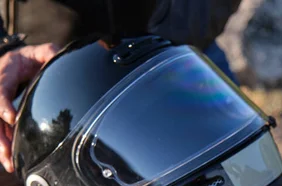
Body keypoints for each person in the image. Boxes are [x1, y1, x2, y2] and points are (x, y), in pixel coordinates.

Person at [0, 0, 241, 173]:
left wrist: (161, 41)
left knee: (242, 183)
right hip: (38, 83)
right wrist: (4, 50)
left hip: (176, 57)